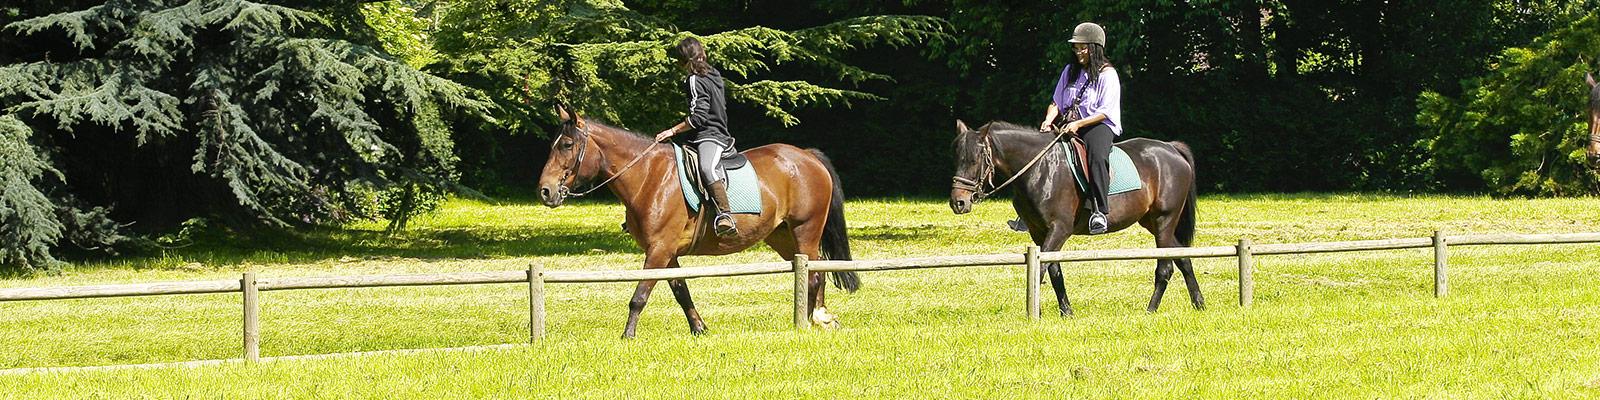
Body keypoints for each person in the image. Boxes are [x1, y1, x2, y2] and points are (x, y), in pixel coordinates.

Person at [1039, 22, 1121, 235]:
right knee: (1041, 152)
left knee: (1097, 156)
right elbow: (1056, 101)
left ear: (1094, 48)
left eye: (1082, 48)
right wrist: (1049, 120)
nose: (1078, 52)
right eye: (1075, 48)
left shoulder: (1107, 75)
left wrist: (1078, 124)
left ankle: (1100, 211)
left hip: (1098, 125)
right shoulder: (1069, 71)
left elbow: (1105, 111)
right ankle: (1031, 210)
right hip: (1069, 124)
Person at [656, 37, 739, 237]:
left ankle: (725, 214)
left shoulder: (695, 79)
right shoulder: (714, 74)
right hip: (698, 136)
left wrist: (672, 131)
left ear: (681, 60)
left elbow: (699, 117)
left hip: (710, 135)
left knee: (706, 167)